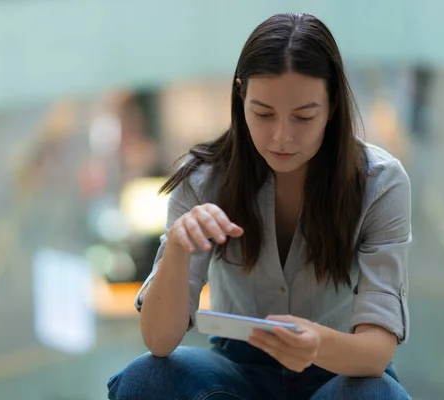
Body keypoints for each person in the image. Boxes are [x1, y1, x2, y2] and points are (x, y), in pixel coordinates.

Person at [108, 13, 412, 400]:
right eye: (263, 113)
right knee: (146, 379)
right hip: (239, 369)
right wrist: (178, 249)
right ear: (241, 97)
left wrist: (316, 343)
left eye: (303, 116)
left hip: (340, 366)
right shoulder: (204, 178)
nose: (281, 136)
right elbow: (158, 341)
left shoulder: (379, 182)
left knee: (374, 394)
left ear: (333, 104)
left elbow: (375, 352)